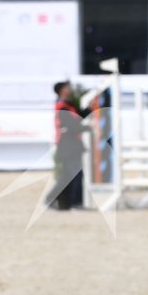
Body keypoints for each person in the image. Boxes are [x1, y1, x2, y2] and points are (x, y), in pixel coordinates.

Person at [51, 80, 90, 210]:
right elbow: (72, 126)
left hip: (70, 145)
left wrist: (90, 108)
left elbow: (78, 118)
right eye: (67, 87)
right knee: (76, 174)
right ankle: (76, 203)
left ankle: (52, 200)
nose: (70, 89)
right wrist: (89, 128)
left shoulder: (67, 105)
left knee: (67, 176)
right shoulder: (62, 107)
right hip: (68, 145)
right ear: (62, 90)